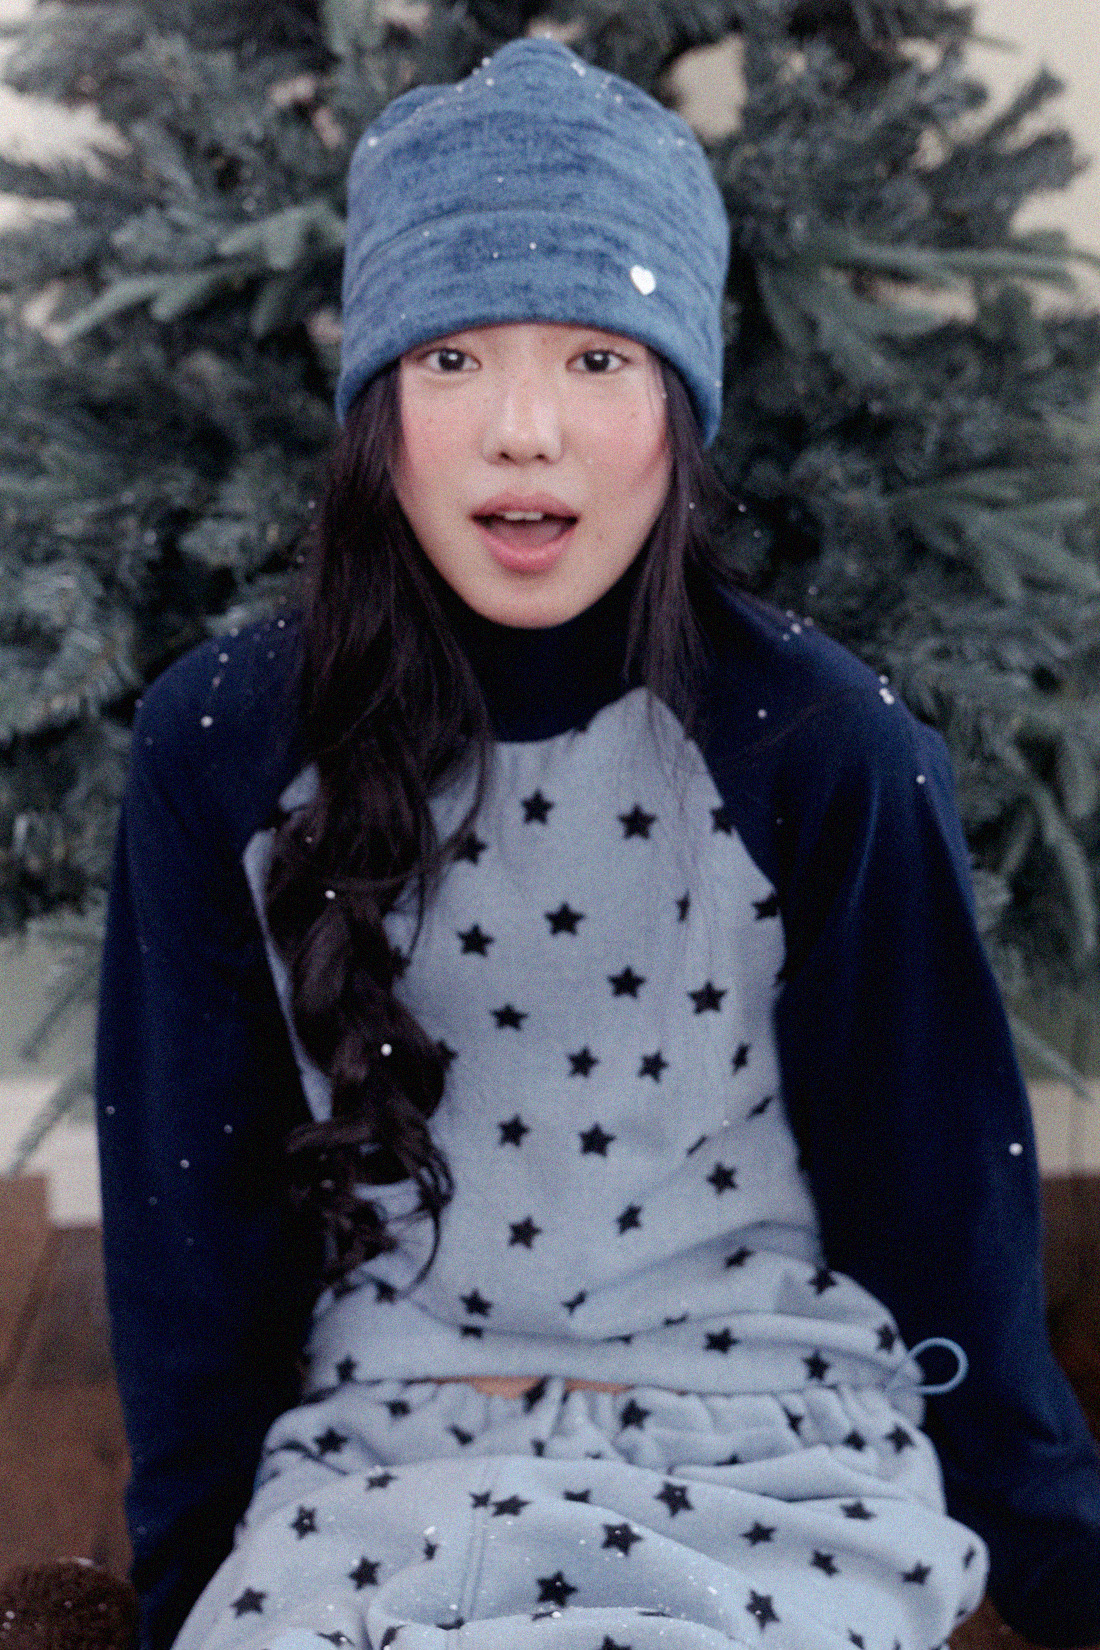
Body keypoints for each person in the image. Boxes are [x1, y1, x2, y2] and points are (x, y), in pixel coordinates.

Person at [95, 36, 1100, 1650]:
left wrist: (1063, 1562)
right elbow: (189, 1234)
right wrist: (180, 1593)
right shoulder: (219, 746)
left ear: (677, 405)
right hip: (385, 1456)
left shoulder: (821, 747)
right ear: (377, 409)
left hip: (766, 1440)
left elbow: (935, 1195)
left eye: (594, 358)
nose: (524, 430)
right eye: (452, 358)